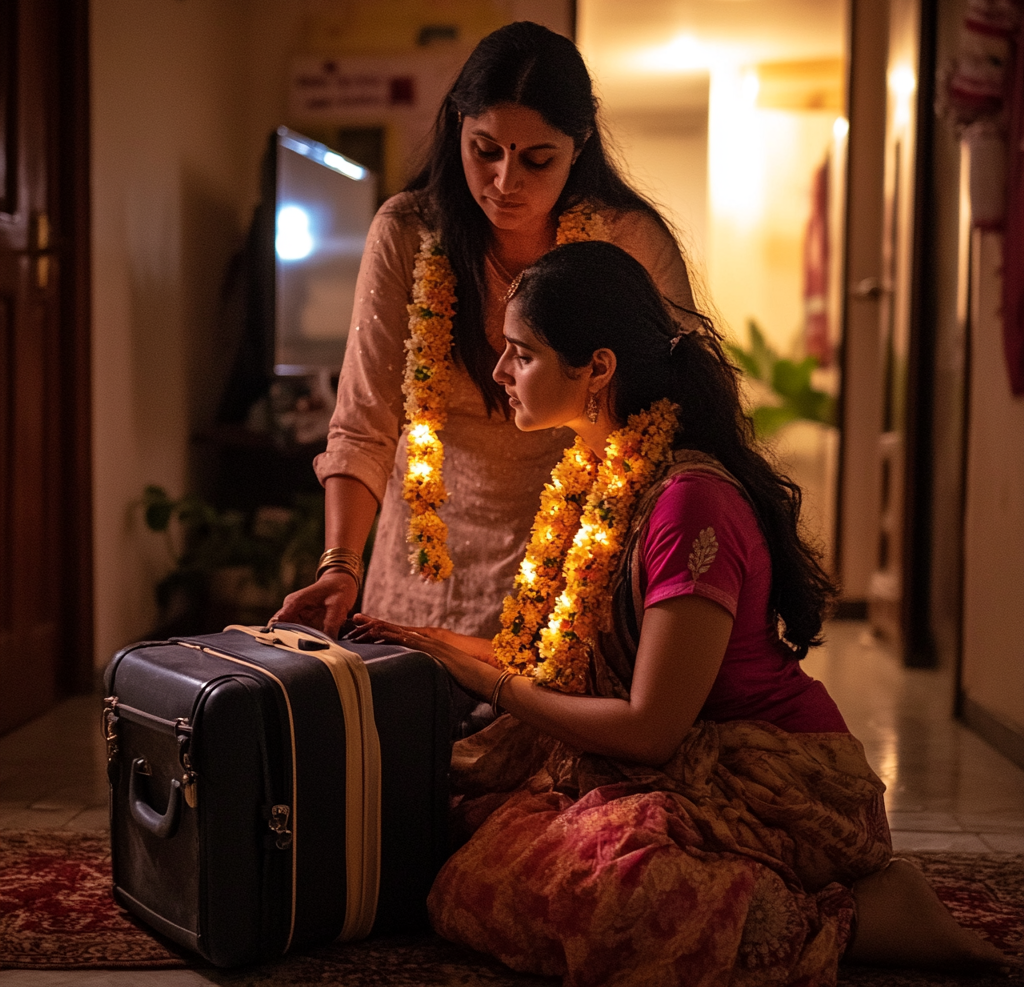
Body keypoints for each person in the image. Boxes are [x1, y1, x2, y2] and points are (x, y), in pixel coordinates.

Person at [350, 242, 1013, 986]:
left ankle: (866, 916)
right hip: (670, 758)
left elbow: (651, 729)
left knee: (607, 898)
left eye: (521, 353)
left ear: (597, 368)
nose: (501, 372)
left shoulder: (689, 503)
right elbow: (564, 661)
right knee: (460, 832)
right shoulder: (598, 472)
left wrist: (490, 685)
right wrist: (431, 642)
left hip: (772, 779)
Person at [271, 21, 697, 641]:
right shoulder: (408, 232)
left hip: (574, 563)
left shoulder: (627, 242)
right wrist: (340, 567)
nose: (505, 181)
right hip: (424, 561)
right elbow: (365, 421)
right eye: (485, 150)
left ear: (579, 144)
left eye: (536, 158)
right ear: (457, 128)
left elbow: (672, 418)